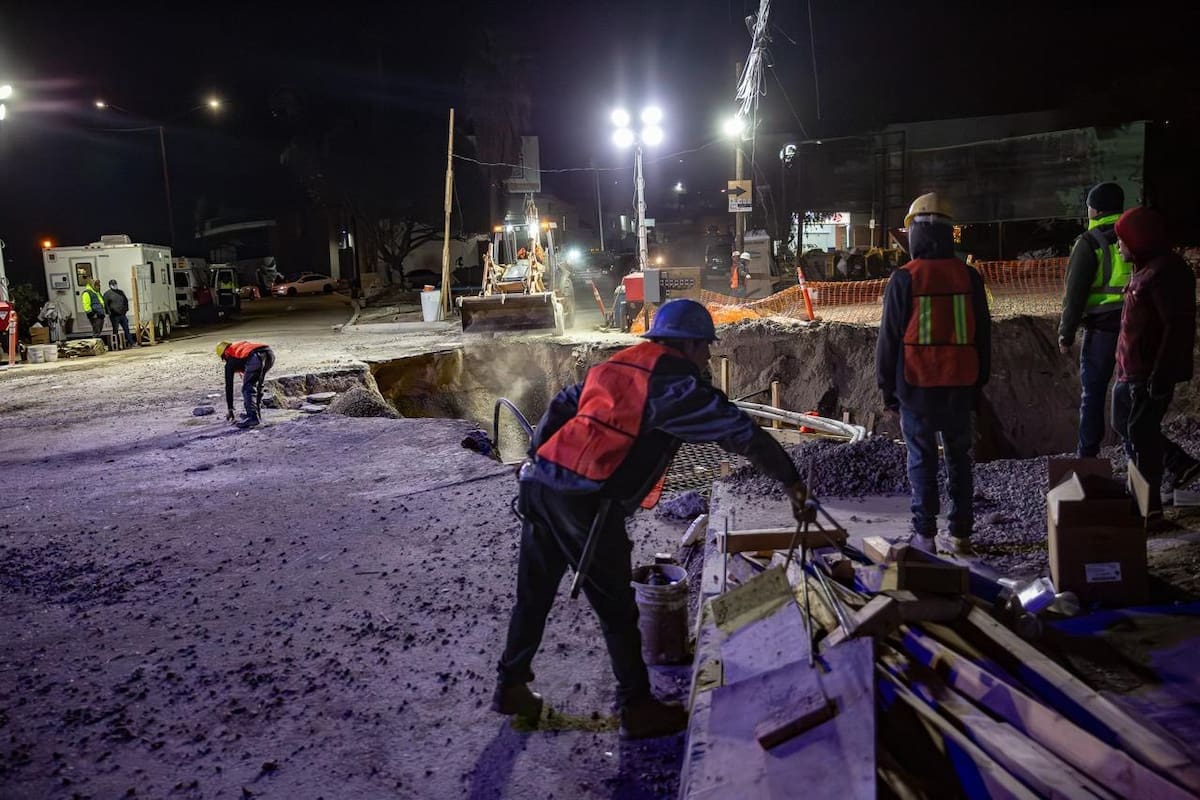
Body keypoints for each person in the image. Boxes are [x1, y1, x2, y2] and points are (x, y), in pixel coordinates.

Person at [494, 299, 810, 738]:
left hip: (542, 485)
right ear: (691, 344)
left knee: (533, 594)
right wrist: (792, 482)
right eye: (705, 350)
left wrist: (542, 458)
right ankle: (637, 709)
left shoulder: (618, 365)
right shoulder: (673, 385)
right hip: (585, 501)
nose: (706, 359)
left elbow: (563, 405)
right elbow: (739, 432)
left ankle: (511, 683)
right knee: (618, 610)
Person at [876, 192, 992, 556]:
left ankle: (924, 536)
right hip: (961, 385)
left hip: (916, 386)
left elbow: (889, 340)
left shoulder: (905, 278)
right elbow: (983, 336)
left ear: (914, 235)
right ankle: (962, 534)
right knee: (959, 458)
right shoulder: (969, 277)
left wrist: (887, 390)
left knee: (922, 458)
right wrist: (979, 385)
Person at [1110, 207, 1200, 518]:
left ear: (1139, 239)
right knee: (1126, 427)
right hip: (1130, 371)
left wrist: (1160, 374)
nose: (1118, 246)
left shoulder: (1165, 273)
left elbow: (1175, 327)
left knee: (1141, 437)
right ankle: (1176, 466)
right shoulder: (1147, 269)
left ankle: (1147, 509)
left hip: (1145, 375)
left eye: (1122, 240)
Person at [1058, 182, 1130, 457]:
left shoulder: (1089, 242)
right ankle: (1137, 453)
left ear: (1094, 209)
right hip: (1135, 325)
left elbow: (1074, 295)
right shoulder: (1133, 236)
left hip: (1102, 328)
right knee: (1132, 392)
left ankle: (1087, 455)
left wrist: (1066, 334)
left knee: (1093, 394)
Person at [216, 340, 275, 429]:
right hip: (269, 354)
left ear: (224, 355)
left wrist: (230, 409)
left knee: (247, 388)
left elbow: (229, 386)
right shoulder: (238, 349)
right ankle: (256, 414)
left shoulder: (231, 359)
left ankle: (252, 418)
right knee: (258, 384)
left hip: (255, 357)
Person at [103, 279, 134, 348]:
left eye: (115, 284)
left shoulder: (121, 292)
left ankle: (131, 343)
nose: (115, 286)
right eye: (113, 285)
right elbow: (106, 304)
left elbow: (125, 301)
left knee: (126, 329)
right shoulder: (107, 294)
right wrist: (109, 312)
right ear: (110, 285)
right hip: (114, 315)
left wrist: (126, 309)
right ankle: (116, 344)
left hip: (122, 314)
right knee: (115, 330)